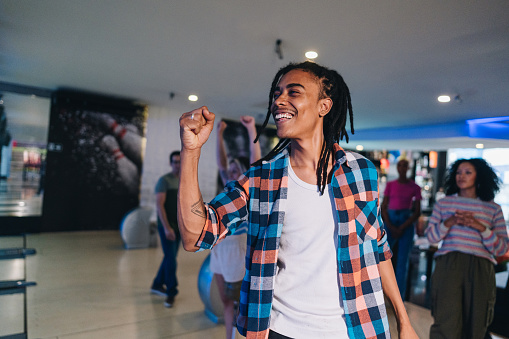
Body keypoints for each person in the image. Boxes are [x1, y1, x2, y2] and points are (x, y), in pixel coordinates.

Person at [177, 61, 418, 338]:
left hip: (356, 328)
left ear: (323, 107)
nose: (278, 100)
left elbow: (378, 248)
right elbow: (195, 236)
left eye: (293, 92)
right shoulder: (261, 179)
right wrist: (190, 151)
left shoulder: (361, 172)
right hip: (282, 330)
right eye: (277, 93)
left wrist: (404, 320)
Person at [426, 158, 509, 339]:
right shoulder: (444, 204)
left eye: (467, 172)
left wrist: (480, 227)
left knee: (477, 322)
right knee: (445, 318)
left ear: (479, 177)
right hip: (449, 263)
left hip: (481, 266)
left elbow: (502, 249)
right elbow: (431, 237)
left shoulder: (493, 208)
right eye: (458, 172)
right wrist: (450, 221)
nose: (461, 176)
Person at [210, 116, 261, 339]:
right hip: (220, 248)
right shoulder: (228, 188)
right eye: (230, 170)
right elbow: (221, 164)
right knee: (226, 302)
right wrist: (219, 134)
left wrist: (251, 130)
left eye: (235, 169)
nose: (230, 172)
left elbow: (254, 162)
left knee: (241, 303)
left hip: (238, 250)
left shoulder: (247, 191)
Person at [381, 158, 422, 299]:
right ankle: (380, 294)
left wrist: (403, 226)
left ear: (408, 168)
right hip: (390, 220)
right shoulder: (391, 185)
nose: (402, 168)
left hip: (406, 221)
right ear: (397, 168)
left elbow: (417, 212)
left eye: (405, 165)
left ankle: (398, 298)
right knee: (381, 258)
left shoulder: (415, 187)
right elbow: (383, 207)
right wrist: (390, 225)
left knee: (402, 262)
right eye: (400, 165)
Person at [150, 151, 181, 308]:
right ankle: (170, 292)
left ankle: (157, 284)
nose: (177, 165)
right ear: (170, 164)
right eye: (175, 162)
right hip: (167, 227)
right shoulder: (164, 181)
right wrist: (167, 228)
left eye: (180, 162)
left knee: (170, 257)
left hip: (178, 227)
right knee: (171, 259)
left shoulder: (184, 180)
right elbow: (159, 205)